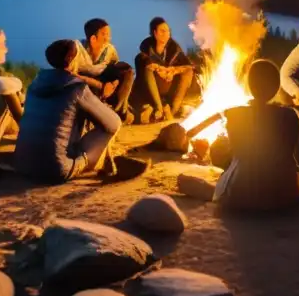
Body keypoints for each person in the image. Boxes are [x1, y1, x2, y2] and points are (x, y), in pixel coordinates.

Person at [14, 39, 149, 184]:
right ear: (73, 59)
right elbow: (113, 123)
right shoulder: (76, 87)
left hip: (23, 163)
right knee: (108, 126)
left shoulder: (34, 85)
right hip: (56, 169)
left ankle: (106, 160)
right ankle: (99, 163)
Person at [213, 59, 299, 213]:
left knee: (223, 153)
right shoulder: (289, 115)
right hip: (283, 195)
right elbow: (296, 154)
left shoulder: (235, 114)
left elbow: (235, 152)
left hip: (240, 195)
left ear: (249, 85)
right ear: (277, 87)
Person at [73, 18, 136, 124]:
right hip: (84, 82)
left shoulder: (109, 50)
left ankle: (119, 109)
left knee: (127, 70)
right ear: (93, 38)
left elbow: (115, 69)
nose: (108, 38)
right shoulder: (78, 49)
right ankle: (95, 116)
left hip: (103, 78)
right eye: (105, 34)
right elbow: (72, 74)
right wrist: (101, 85)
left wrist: (112, 84)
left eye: (109, 34)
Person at [134, 16, 196, 123]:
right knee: (145, 65)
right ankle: (158, 107)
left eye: (168, 31)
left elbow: (189, 66)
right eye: (162, 31)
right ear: (155, 33)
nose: (166, 34)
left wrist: (173, 70)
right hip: (150, 88)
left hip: (168, 84)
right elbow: (146, 64)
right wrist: (159, 69)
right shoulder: (147, 48)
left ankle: (172, 109)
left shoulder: (174, 48)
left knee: (188, 72)